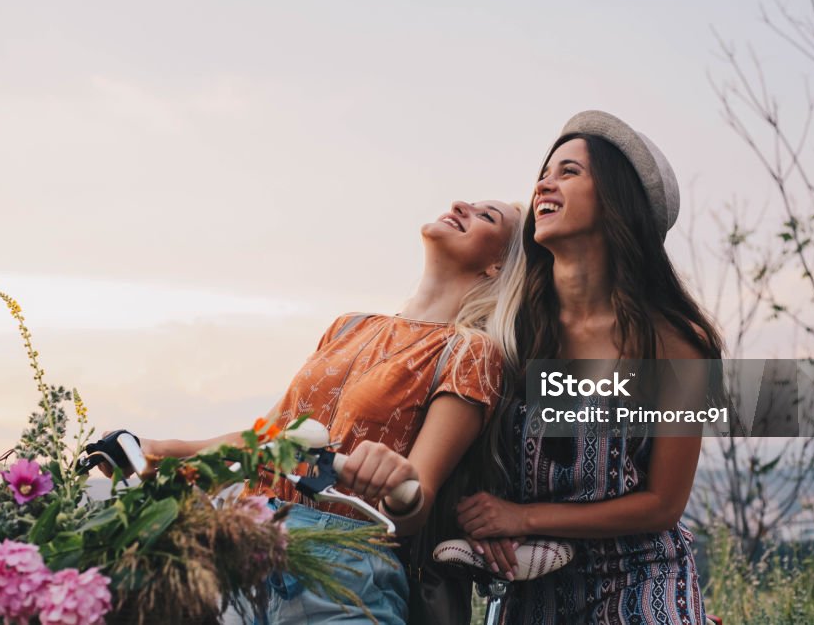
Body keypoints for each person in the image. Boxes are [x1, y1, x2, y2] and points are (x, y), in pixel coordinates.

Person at [125, 197, 522, 624]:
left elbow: (414, 503)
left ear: (496, 267)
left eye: (486, 216)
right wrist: (157, 449)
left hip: (345, 572)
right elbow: (269, 439)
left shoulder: (471, 352)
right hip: (245, 553)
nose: (462, 205)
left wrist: (395, 481)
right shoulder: (348, 326)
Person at [456, 111, 723, 624]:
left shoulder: (673, 342)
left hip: (641, 574)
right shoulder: (508, 328)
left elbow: (663, 504)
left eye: (569, 172)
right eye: (546, 171)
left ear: (616, 203)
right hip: (533, 584)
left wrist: (523, 516)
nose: (544, 183)